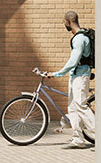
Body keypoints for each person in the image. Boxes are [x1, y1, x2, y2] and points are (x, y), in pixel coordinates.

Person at [41, 11, 95, 149]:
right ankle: (78, 139)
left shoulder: (80, 38)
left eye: (64, 22)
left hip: (81, 76)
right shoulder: (78, 36)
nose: (64, 24)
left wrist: (57, 74)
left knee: (81, 106)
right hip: (75, 76)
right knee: (73, 108)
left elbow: (73, 61)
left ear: (69, 21)